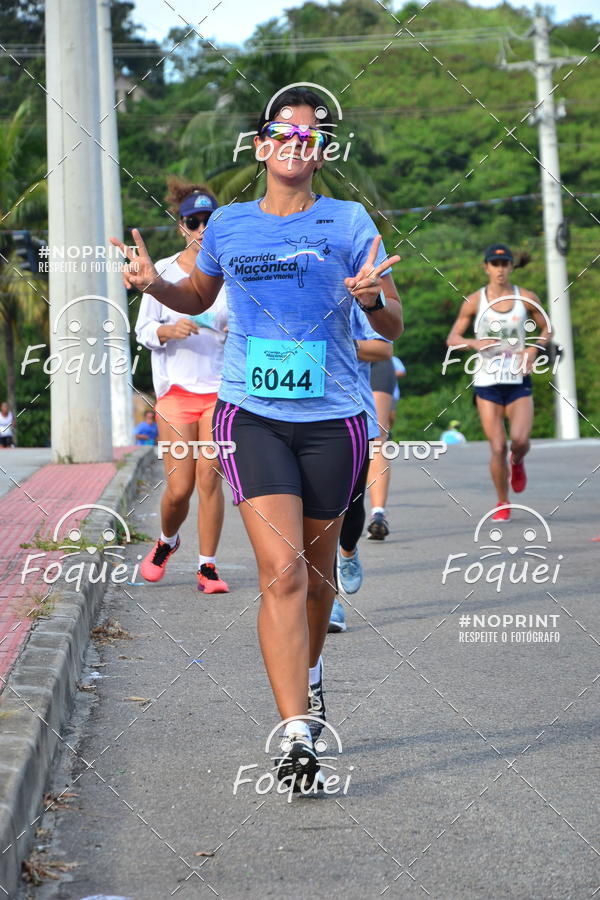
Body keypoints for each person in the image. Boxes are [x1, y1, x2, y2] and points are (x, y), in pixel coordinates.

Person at [114, 86, 403, 785]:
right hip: (252, 416)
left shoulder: (350, 220)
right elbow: (199, 299)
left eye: (309, 136)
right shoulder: (231, 225)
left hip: (333, 418)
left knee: (319, 574)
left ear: (322, 150)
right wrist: (154, 285)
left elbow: (392, 327)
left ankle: (311, 667)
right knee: (281, 572)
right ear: (261, 144)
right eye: (282, 133)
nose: (295, 144)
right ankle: (296, 731)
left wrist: (369, 298)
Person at [135, 180, 229, 594]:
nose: (203, 228)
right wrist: (169, 329)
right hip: (175, 393)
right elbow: (142, 330)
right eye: (194, 221)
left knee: (211, 478)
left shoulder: (234, 275)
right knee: (180, 488)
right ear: (182, 227)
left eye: (210, 220)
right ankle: (167, 540)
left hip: (222, 392)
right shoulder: (164, 272)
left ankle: (207, 566)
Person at [446, 243, 549, 521]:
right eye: (495, 264)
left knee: (519, 440)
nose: (500, 269)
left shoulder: (525, 297)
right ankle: (502, 502)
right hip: (486, 380)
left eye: (505, 264)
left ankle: (518, 461)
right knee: (497, 446)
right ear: (486, 267)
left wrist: (533, 349)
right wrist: (472, 342)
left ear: (512, 267)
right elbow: (452, 339)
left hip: (518, 378)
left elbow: (546, 328)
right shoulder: (475, 301)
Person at [329, 305, 393, 633]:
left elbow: (383, 348)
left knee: (349, 510)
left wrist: (339, 345)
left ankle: (348, 550)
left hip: (350, 414)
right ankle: (329, 601)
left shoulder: (354, 298)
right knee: (309, 515)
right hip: (289, 414)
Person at [366, 355, 396, 540]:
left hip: (374, 357)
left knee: (377, 438)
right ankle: (378, 512)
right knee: (377, 440)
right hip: (337, 359)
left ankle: (378, 513)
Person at [388, 355, 406, 432]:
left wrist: (385, 374)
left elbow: (402, 372)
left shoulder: (393, 359)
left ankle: (387, 433)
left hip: (392, 394)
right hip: (373, 394)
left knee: (391, 417)